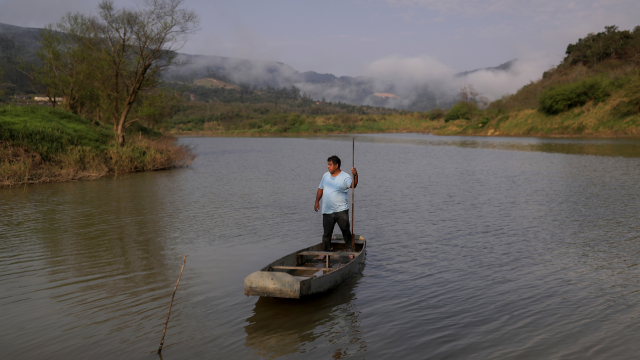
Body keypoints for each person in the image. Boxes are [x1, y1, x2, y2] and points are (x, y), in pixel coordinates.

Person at [314, 155, 358, 259]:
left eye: (330, 165)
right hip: (327, 211)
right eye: (328, 164)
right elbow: (321, 188)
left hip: (341, 210)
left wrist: (355, 176)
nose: (328, 167)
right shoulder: (325, 175)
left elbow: (353, 185)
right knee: (326, 234)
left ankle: (349, 250)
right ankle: (325, 252)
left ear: (336, 165)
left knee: (345, 231)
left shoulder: (345, 176)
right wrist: (317, 201)